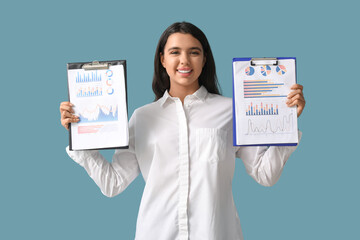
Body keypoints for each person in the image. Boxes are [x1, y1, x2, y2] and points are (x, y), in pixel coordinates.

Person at [60, 22, 305, 240]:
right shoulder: (143, 117)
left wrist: (286, 123)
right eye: (175, 52)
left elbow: (266, 174)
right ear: (162, 59)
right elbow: (112, 184)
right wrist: (79, 134)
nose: (184, 61)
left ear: (205, 59)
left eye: (194, 52)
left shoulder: (231, 111)